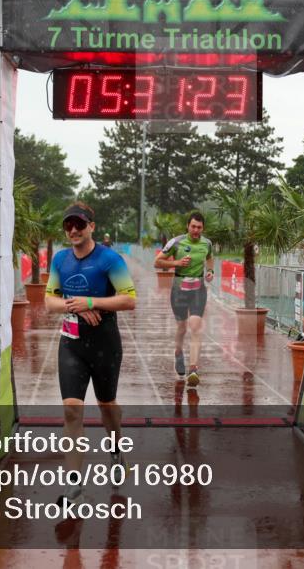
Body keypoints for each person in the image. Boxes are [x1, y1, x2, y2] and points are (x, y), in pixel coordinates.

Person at [44, 202, 137, 508]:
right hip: (71, 343)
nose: (73, 230)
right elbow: (49, 302)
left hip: (105, 343)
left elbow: (128, 300)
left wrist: (92, 303)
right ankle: (73, 487)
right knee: (72, 410)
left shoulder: (109, 259)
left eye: (79, 224)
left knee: (107, 405)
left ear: (92, 226)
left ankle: (115, 445)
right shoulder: (60, 259)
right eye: (68, 225)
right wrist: (78, 306)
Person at [155, 211, 214, 387]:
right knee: (182, 327)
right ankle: (178, 353)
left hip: (198, 290)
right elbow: (157, 262)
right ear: (188, 226)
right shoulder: (176, 242)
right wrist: (176, 263)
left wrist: (210, 272)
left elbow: (210, 259)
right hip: (178, 291)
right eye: (193, 226)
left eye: (199, 227)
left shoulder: (207, 243)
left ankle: (193, 369)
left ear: (203, 228)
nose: (196, 230)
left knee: (195, 326)